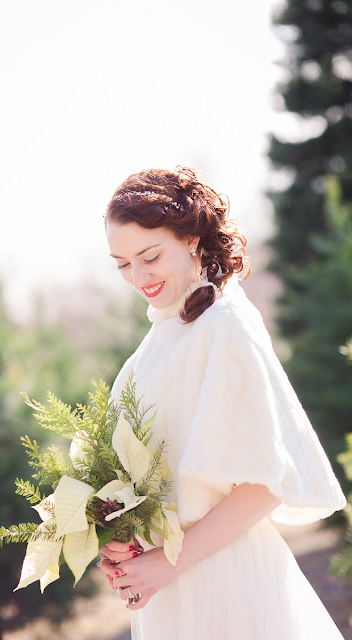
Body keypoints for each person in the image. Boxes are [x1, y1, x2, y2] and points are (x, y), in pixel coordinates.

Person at [98, 165, 347, 639]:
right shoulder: (152, 347)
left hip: (226, 585)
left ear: (191, 240)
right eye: (123, 263)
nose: (138, 276)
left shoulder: (225, 323)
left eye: (150, 255)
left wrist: (167, 563)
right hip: (166, 593)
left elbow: (263, 484)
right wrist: (119, 540)